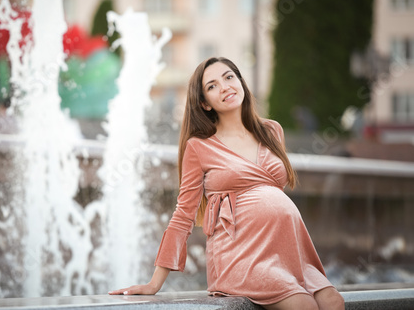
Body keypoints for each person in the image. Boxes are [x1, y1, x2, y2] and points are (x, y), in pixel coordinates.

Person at [109, 57, 344, 310]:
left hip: (288, 250)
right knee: (302, 306)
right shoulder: (199, 147)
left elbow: (271, 195)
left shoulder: (272, 130)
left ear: (240, 81)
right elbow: (183, 215)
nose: (224, 87)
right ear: (204, 103)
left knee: (333, 301)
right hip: (241, 256)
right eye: (212, 86)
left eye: (229, 77)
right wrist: (154, 283)